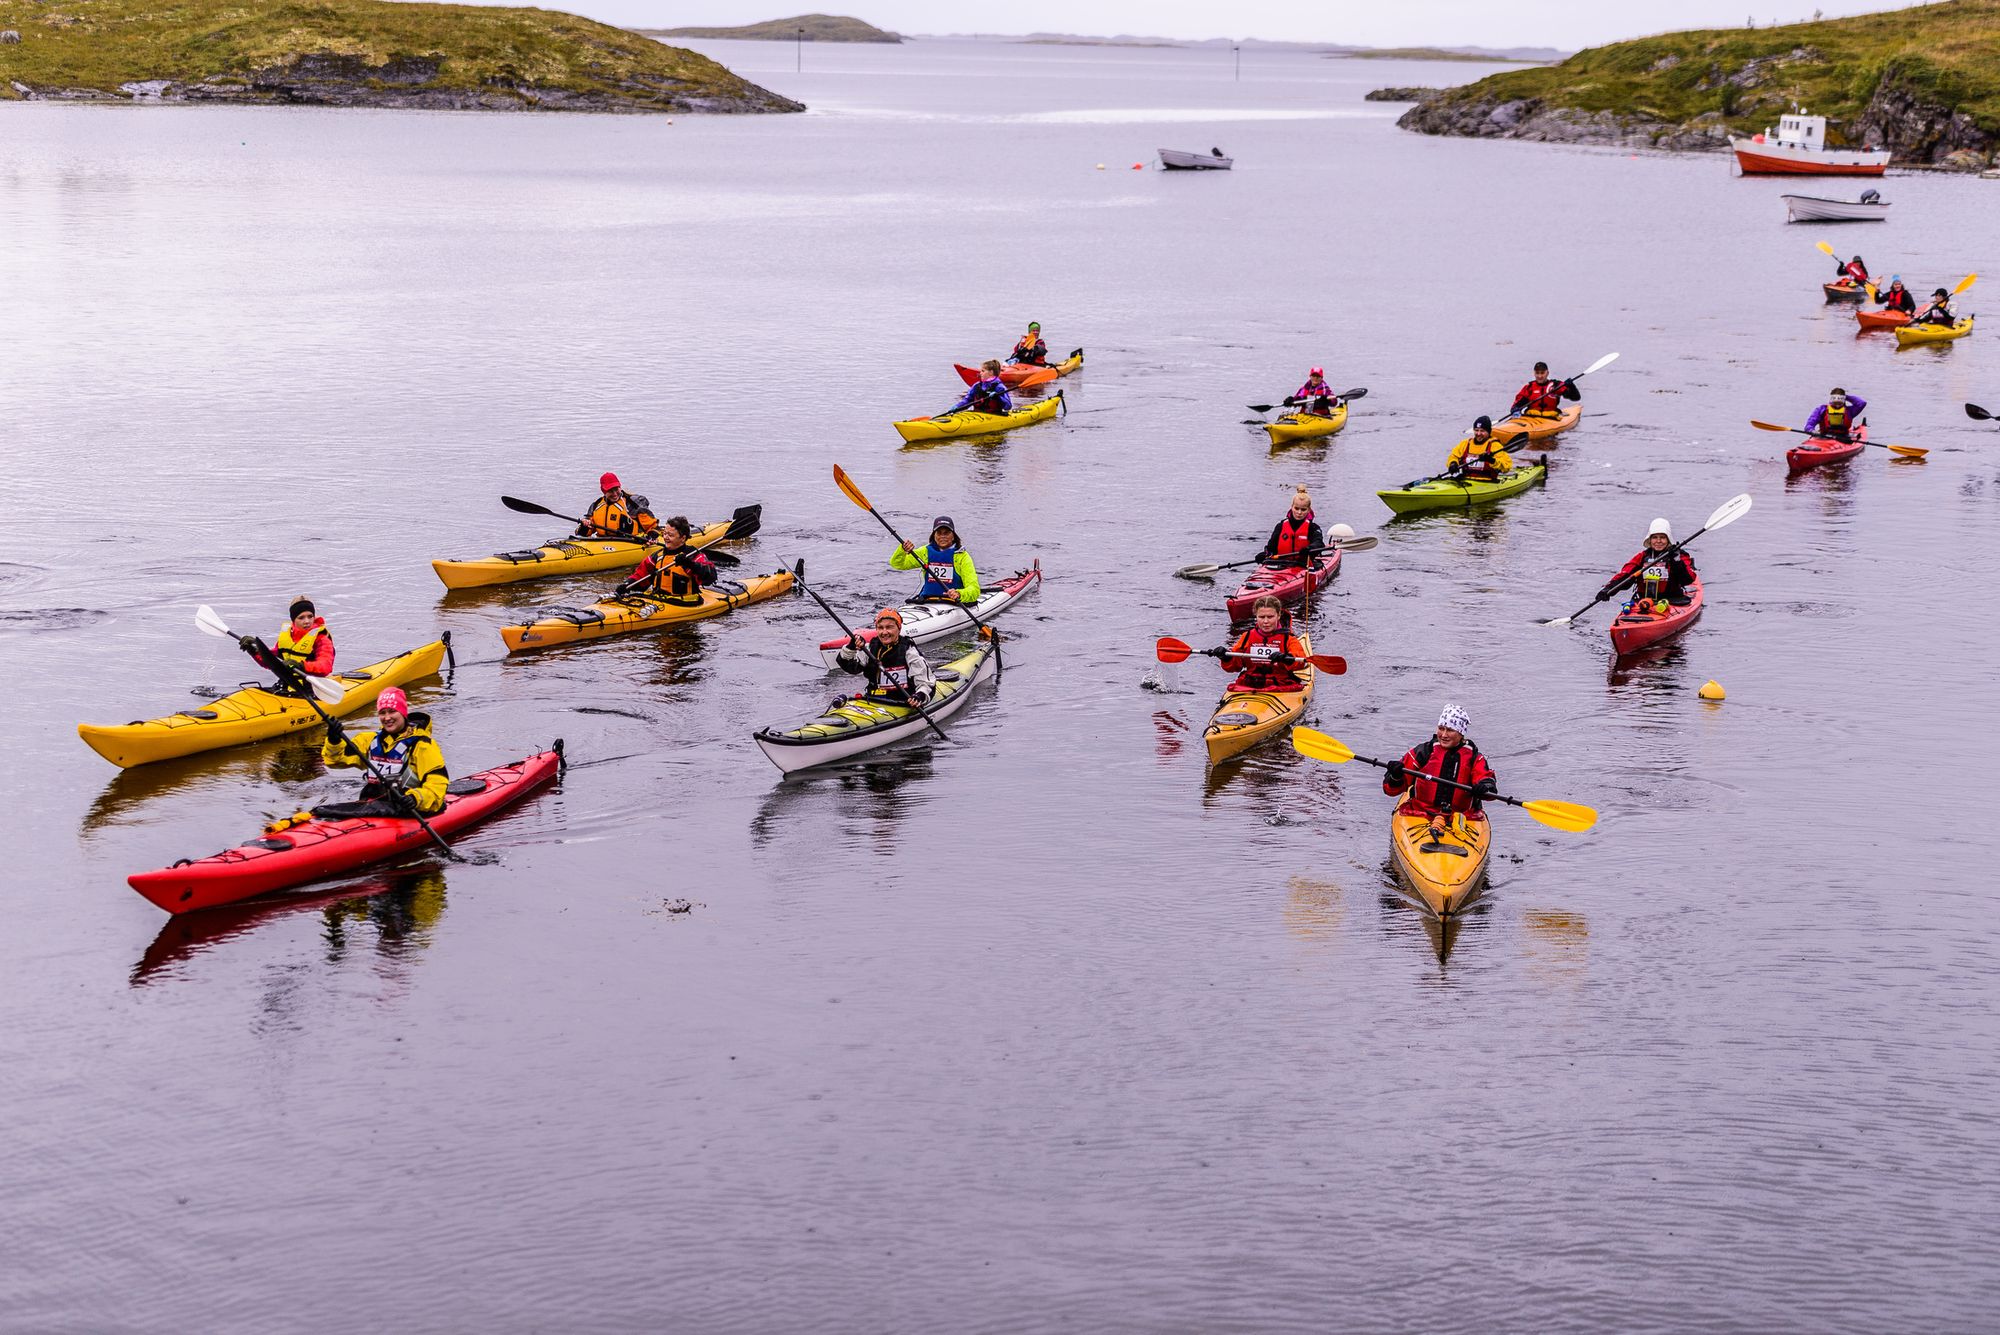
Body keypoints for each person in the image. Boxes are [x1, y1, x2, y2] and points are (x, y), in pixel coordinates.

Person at [317, 687, 448, 819]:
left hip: (409, 810)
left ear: (403, 712)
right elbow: (335, 762)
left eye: (392, 711)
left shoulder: (423, 745)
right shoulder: (368, 740)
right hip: (375, 806)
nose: (387, 718)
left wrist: (415, 798)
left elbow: (437, 785)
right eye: (382, 713)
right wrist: (334, 740)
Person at [1383, 704, 1497, 838]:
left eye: (1450, 730)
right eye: (1441, 728)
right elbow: (1390, 790)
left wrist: (1484, 789)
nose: (1443, 735)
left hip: (1461, 816)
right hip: (1421, 813)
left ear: (1461, 733)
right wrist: (1396, 775)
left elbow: (1488, 785)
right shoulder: (1424, 752)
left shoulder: (1474, 758)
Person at [834, 607, 936, 707]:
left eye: (889, 627)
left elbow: (927, 683)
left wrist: (919, 696)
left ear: (899, 628)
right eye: (880, 627)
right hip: (873, 700)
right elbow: (851, 668)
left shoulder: (909, 651)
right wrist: (850, 648)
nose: (884, 632)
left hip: (902, 703)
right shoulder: (870, 648)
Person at [237, 596, 334, 695]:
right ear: (293, 620)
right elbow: (270, 662)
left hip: (312, 691)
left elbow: (325, 667)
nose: (307, 621)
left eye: (310, 616)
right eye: (301, 617)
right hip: (286, 688)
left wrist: (300, 666)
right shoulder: (287, 636)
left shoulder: (321, 639)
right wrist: (254, 650)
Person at [1599, 517, 1697, 612]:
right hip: (1643, 602)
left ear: (1668, 539)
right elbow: (1625, 574)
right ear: (1650, 540)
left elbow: (1688, 580)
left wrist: (1676, 560)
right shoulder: (1642, 557)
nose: (1658, 541)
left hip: (1672, 600)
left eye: (1662, 537)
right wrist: (1608, 589)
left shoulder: (1679, 555)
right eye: (1655, 537)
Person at [1218, 595, 1307, 693]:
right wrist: (1226, 657)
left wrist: (1286, 658)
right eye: (1261, 617)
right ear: (1256, 616)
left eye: (1270, 617)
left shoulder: (1288, 639)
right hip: (1249, 685)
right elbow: (1235, 666)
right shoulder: (1246, 636)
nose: (1265, 621)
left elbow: (1300, 663)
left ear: (1279, 615)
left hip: (1280, 686)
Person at [618, 516, 716, 602]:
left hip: (685, 602)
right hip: (660, 600)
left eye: (670, 535)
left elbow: (710, 577)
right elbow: (640, 576)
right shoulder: (657, 556)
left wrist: (689, 564)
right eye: (664, 534)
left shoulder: (692, 555)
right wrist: (627, 584)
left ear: (683, 538)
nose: (665, 537)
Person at [890, 516, 981, 605]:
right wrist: (902, 550)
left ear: (953, 536)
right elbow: (897, 564)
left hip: (954, 603)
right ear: (934, 535)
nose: (942, 536)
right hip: (928, 601)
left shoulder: (962, 557)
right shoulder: (925, 552)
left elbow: (974, 589)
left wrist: (959, 593)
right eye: (939, 533)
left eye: (946, 533)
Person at [1258, 486, 1325, 567]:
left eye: (1303, 509)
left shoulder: (1313, 528)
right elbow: (1271, 548)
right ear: (1292, 507)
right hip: (1282, 565)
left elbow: (1319, 543)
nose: (1299, 512)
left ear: (1309, 510)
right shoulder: (1281, 526)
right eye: (1296, 508)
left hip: (1304, 566)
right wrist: (1265, 554)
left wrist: (1309, 549)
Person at [576, 472, 657, 538]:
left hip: (631, 543)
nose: (615, 494)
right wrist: (585, 525)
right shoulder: (596, 505)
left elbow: (653, 527)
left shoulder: (633, 504)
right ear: (604, 491)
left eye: (616, 489)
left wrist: (651, 537)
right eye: (611, 491)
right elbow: (584, 533)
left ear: (620, 487)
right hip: (602, 544)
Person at [1445, 416, 1515, 480]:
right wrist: (1453, 463)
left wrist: (1491, 460)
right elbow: (1453, 456)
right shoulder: (1465, 444)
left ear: (1489, 432)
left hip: (1487, 482)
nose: (1478, 434)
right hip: (1467, 480)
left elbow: (1507, 467)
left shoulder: (1495, 446)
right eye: (1476, 430)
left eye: (1482, 431)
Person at [1508, 361, 1581, 419]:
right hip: (1532, 417)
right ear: (1534, 373)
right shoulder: (1529, 387)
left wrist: (1571, 386)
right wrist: (1515, 409)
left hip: (1551, 417)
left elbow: (1576, 397)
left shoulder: (1556, 385)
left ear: (1547, 373)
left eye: (1542, 373)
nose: (1540, 376)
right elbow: (1518, 403)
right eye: (1537, 373)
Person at [949, 361, 1014, 416]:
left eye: (983, 371)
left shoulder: (999, 387)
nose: (980, 373)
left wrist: (998, 397)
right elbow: (967, 400)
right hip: (977, 414)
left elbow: (1008, 406)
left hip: (994, 415)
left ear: (991, 372)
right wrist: (958, 406)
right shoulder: (977, 385)